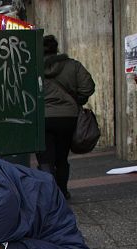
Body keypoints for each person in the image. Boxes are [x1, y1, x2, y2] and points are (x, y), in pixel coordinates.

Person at [37, 34, 95, 200]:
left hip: (42, 118)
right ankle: (62, 191)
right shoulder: (73, 66)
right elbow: (88, 87)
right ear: (57, 48)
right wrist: (77, 100)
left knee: (45, 159)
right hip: (67, 117)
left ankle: (50, 195)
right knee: (62, 157)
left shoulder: (32, 66)